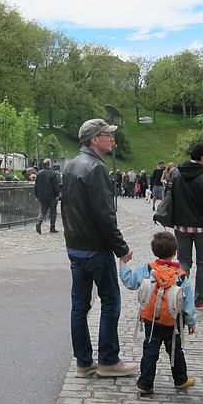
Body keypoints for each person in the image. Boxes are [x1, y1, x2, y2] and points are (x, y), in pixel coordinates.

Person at [62, 118, 137, 378]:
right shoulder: (95, 168)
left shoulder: (72, 165)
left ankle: (84, 362)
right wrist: (121, 249)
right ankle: (108, 361)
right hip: (95, 248)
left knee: (79, 306)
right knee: (111, 302)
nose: (111, 139)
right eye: (107, 135)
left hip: (76, 248)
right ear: (95, 139)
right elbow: (105, 216)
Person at [119, 231, 197, 395]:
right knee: (175, 349)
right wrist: (190, 322)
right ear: (175, 252)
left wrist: (123, 264)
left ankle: (145, 383)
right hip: (173, 319)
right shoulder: (180, 276)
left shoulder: (147, 269)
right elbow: (188, 300)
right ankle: (180, 379)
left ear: (154, 252)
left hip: (150, 319)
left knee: (150, 349)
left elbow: (131, 282)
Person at [170, 143, 203, 310]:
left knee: (184, 262)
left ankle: (180, 295)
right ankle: (199, 300)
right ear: (202, 158)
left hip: (180, 224)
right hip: (201, 226)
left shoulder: (176, 172)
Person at [34, 158, 61, 234]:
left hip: (42, 196)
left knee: (43, 211)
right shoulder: (52, 173)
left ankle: (39, 222)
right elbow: (55, 185)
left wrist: (37, 195)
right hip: (52, 196)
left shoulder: (39, 173)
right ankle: (52, 227)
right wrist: (58, 194)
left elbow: (36, 186)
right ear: (49, 165)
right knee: (53, 212)